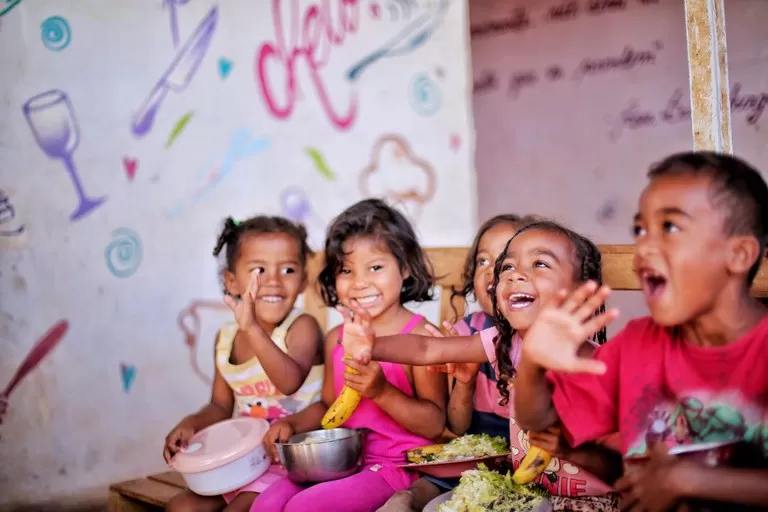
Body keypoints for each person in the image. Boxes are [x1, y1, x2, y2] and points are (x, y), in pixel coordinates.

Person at [514, 152, 768, 511]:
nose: (645, 246)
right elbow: (540, 423)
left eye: (670, 227)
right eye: (640, 230)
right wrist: (532, 363)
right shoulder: (636, 344)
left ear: (739, 254)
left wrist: (689, 480)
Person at [343, 220, 622, 511]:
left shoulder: (593, 367)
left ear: (582, 291)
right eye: (508, 267)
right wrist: (371, 345)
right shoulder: (506, 343)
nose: (515, 275)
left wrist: (569, 451)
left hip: (591, 501)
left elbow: (618, 465)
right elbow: (428, 348)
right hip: (532, 493)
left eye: (540, 263)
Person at [254, 198, 448, 512]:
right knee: (266, 504)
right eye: (346, 270)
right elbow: (328, 406)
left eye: (375, 267)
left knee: (305, 508)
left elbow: (435, 424)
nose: (359, 283)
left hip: (399, 466)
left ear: (405, 268)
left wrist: (381, 392)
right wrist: (292, 423)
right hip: (340, 460)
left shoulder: (422, 337)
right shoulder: (337, 338)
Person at [164, 216, 325, 512]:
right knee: (180, 508)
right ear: (232, 281)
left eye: (288, 269)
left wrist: (252, 329)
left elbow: (289, 382)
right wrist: (192, 424)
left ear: (303, 279)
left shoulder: (302, 327)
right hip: (243, 462)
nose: (273, 281)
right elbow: (220, 406)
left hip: (294, 463)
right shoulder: (226, 338)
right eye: (258, 270)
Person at [379, 214, 532, 512]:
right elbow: (458, 427)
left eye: (506, 261)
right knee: (410, 496)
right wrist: (465, 382)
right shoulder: (467, 332)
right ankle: (403, 502)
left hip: (530, 460)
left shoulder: (540, 339)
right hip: (476, 457)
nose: (491, 270)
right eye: (482, 261)